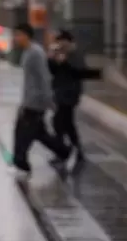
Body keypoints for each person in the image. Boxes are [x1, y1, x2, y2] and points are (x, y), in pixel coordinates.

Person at [10, 23, 70, 180]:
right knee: (38, 133)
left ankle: (21, 161)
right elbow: (29, 81)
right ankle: (64, 151)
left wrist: (49, 100)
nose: (16, 38)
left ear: (26, 35)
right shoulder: (27, 52)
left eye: (18, 35)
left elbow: (44, 78)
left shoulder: (36, 53)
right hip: (29, 101)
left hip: (35, 102)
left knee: (23, 133)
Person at [47, 30, 92, 164]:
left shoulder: (76, 54)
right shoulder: (59, 54)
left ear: (68, 42)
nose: (60, 45)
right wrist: (51, 58)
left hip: (70, 94)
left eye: (62, 42)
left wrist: (66, 61)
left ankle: (62, 153)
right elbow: (52, 70)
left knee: (58, 122)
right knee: (67, 124)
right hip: (60, 93)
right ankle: (77, 151)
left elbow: (81, 71)